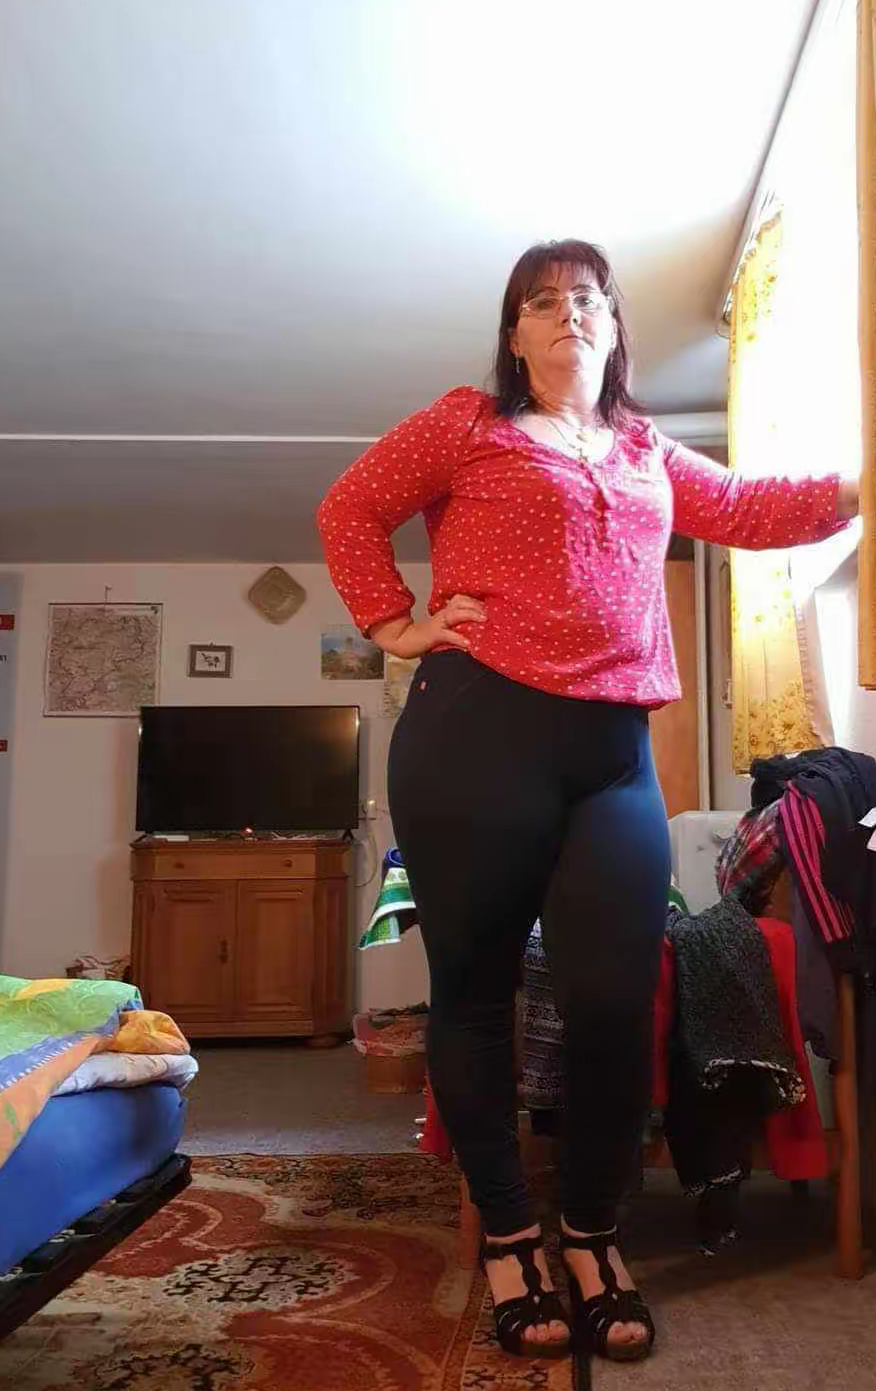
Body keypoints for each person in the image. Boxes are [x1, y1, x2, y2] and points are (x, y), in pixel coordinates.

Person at [318, 239, 858, 1366]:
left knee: (616, 1000)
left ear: (615, 330)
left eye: (588, 299)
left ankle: (594, 1235)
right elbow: (350, 507)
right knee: (475, 996)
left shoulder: (648, 449)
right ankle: (512, 1239)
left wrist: (856, 487)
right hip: (475, 735)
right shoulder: (468, 423)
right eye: (542, 300)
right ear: (514, 334)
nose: (568, 312)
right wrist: (392, 622)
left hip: (614, 753)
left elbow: (751, 508)